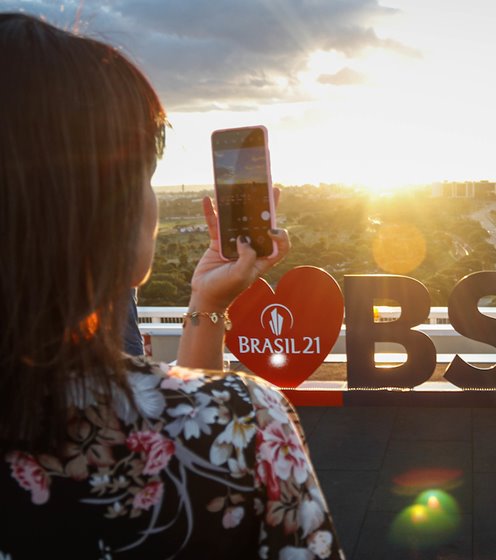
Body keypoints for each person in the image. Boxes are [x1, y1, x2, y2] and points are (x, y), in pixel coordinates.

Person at [0, 13, 344, 559]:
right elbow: (192, 428)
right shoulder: (245, 422)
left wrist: (207, 302)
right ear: (95, 209)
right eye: (143, 172)